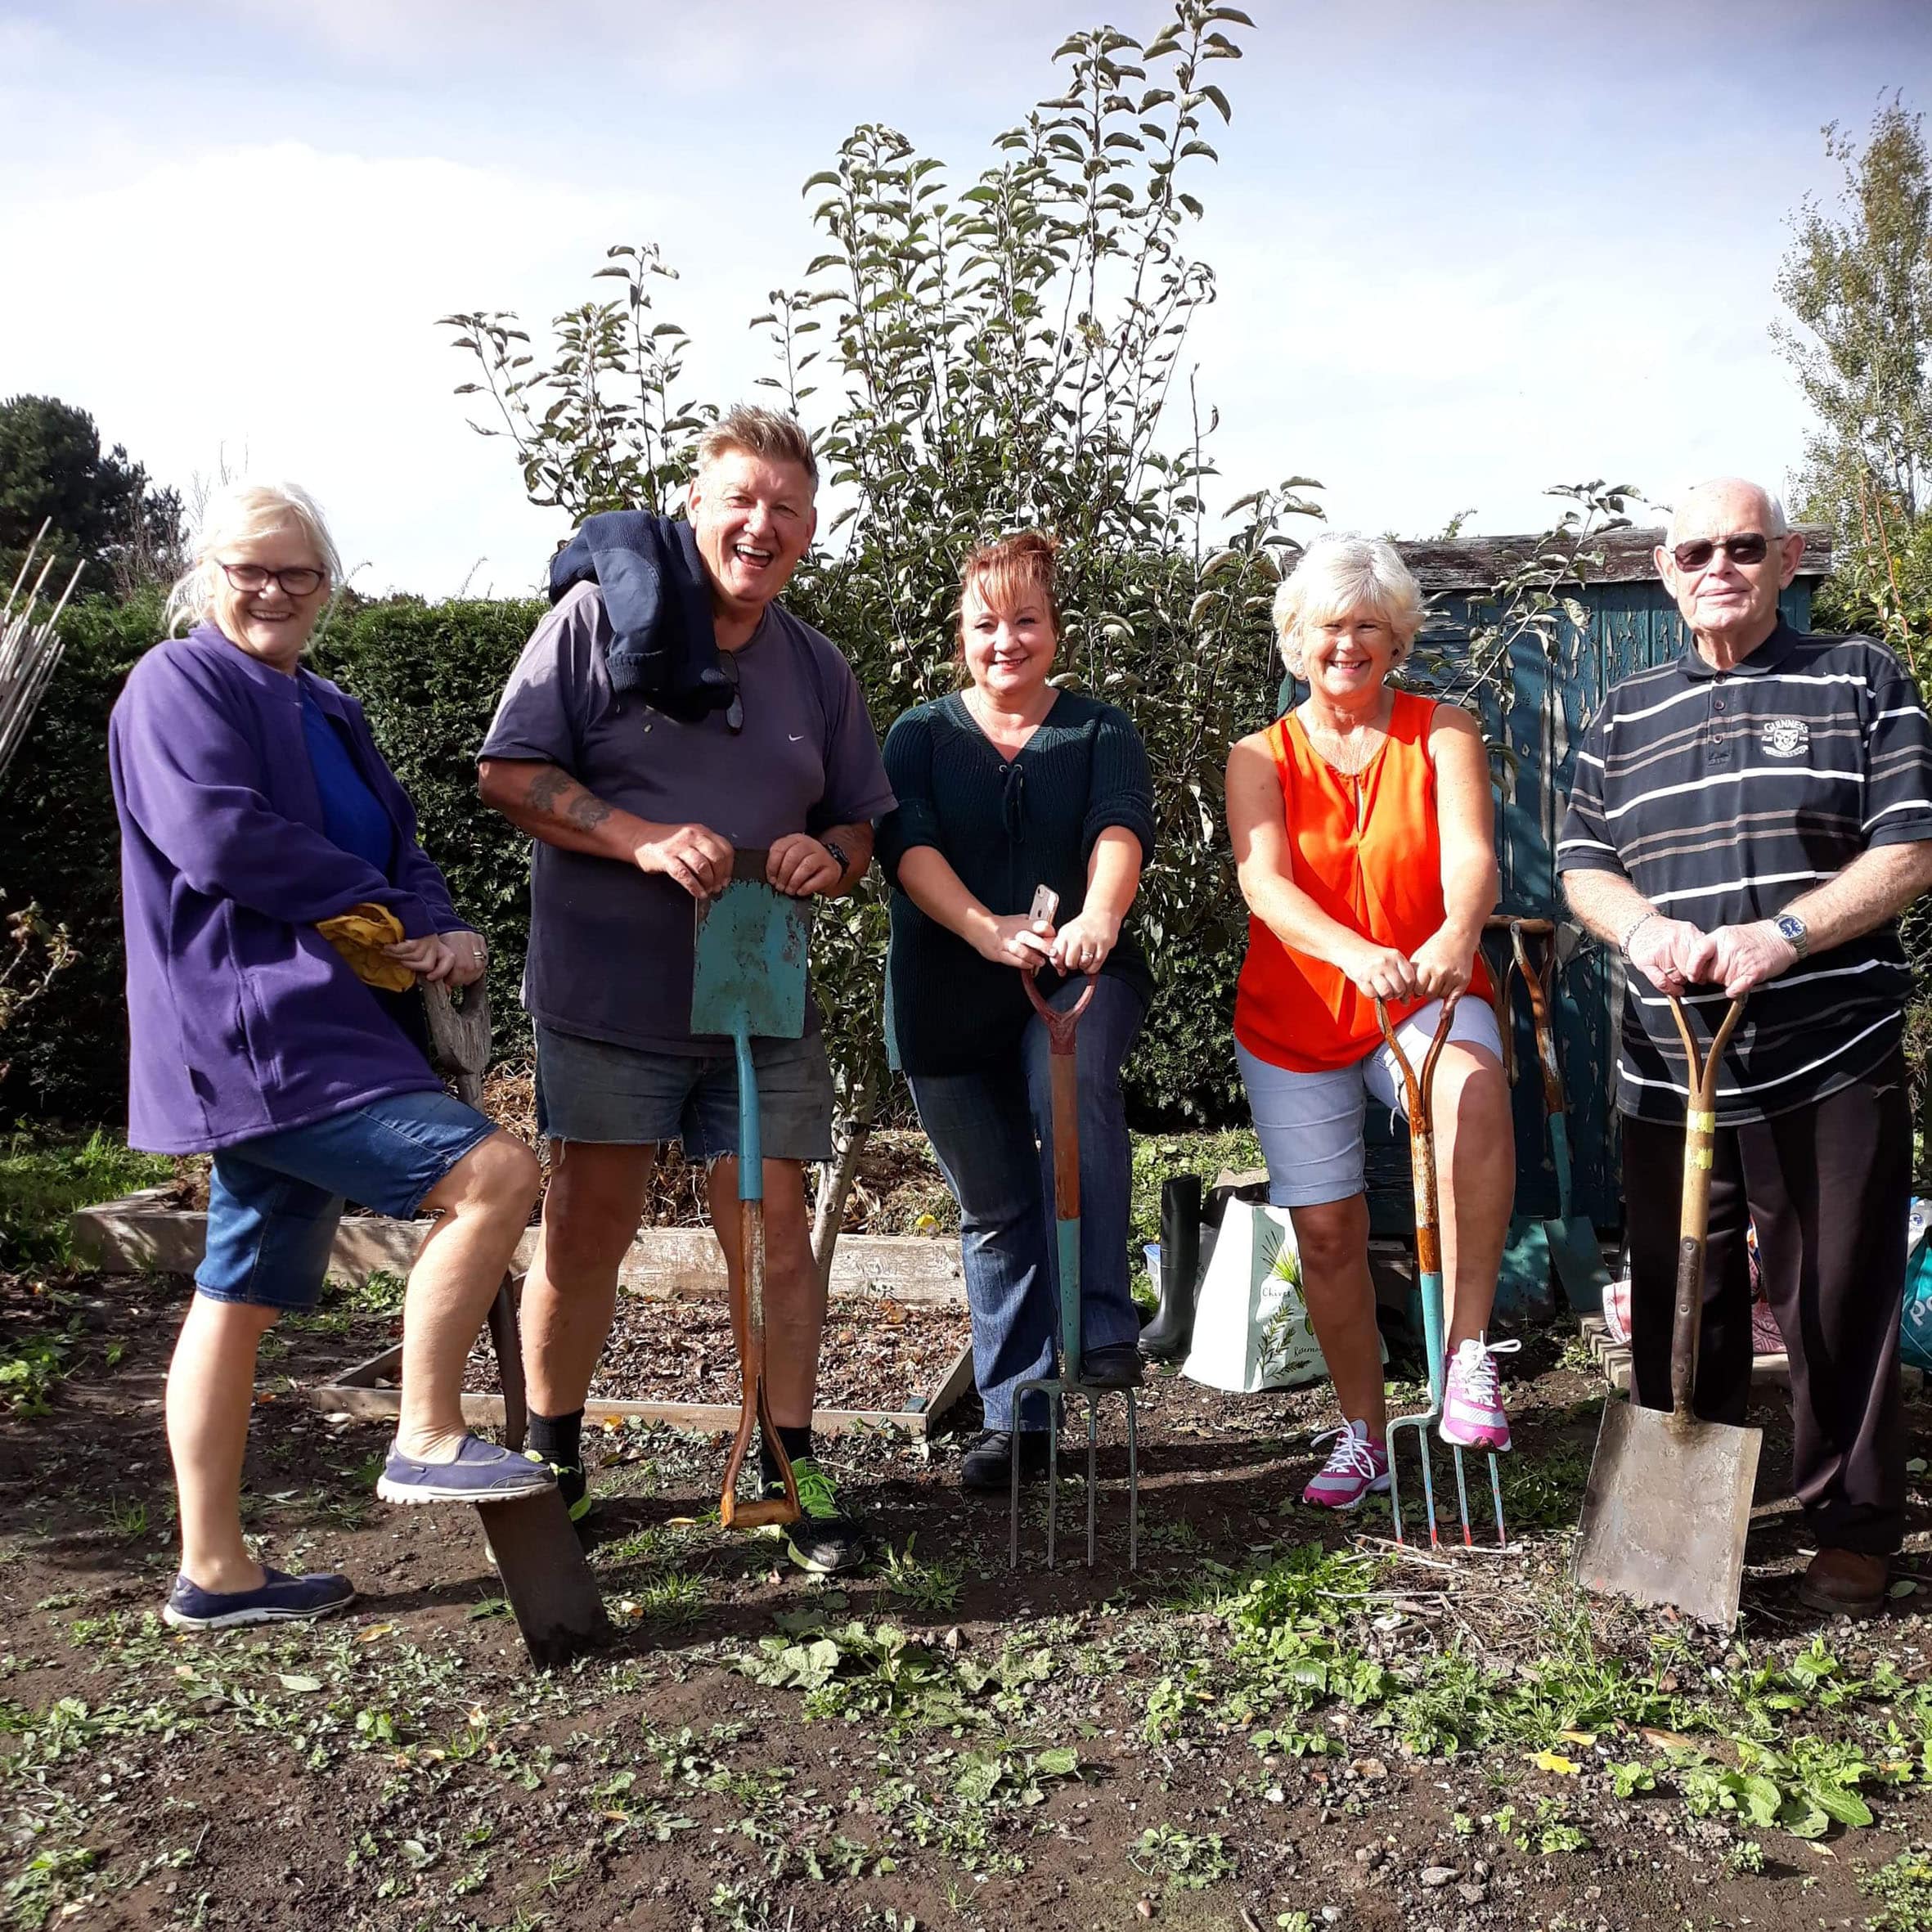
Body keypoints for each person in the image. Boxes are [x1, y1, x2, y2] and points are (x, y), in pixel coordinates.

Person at [108, 482, 550, 1633]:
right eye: (249, 568)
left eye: (297, 573)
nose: (271, 590)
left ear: (327, 589)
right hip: (262, 1025)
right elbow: (217, 834)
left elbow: (401, 847)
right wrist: (372, 911)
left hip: (332, 1023)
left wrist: (440, 926)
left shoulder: (329, 707)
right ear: (207, 574)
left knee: (237, 1288)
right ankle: (425, 1430)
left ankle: (217, 1572)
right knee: (494, 1173)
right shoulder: (179, 683)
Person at [478, 406, 895, 1575]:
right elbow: (508, 774)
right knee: (589, 1227)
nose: (761, 526)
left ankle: (785, 1458)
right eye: (740, 500)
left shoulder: (816, 667)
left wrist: (834, 858)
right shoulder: (597, 619)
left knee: (771, 1237)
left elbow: (856, 820)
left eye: (787, 509)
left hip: (759, 1003)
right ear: (696, 506)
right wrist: (641, 837)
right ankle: (555, 1451)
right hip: (611, 999)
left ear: (810, 531)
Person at [1559, 476, 1932, 1615]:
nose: (1716, 565)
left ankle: (1853, 1521)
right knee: (1684, 1292)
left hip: (1826, 1041)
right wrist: (1646, 928)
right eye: (1692, 551)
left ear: (1785, 556)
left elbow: (1910, 850)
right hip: (1667, 1057)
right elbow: (1581, 866)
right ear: (1663, 571)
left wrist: (1782, 935)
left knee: (1834, 1293)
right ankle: (1683, 1523)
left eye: (1742, 544)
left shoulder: (1858, 678)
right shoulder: (1621, 712)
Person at [1224, 532, 1515, 1512]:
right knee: (1328, 1232)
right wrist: (1351, 953)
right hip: (1296, 1018)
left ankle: (1467, 1355)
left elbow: (1471, 857)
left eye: (1366, 627)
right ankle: (1361, 1432)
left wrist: (1452, 935)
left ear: (1395, 641)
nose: (1344, 644)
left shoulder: (1443, 732)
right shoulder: (1258, 757)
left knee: (1472, 1098)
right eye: (1325, 628)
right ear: (1293, 642)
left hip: (1429, 992)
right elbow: (1262, 882)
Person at [876, 533, 1156, 1492]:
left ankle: (1101, 1324)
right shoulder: (918, 735)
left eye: (1025, 620)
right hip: (945, 993)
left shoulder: (1098, 729)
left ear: (1054, 628)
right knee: (995, 1210)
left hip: (1076, 978)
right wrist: (984, 929)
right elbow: (906, 846)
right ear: (960, 631)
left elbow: (1118, 826)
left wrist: (1097, 918)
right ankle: (1016, 1416)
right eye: (986, 623)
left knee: (1068, 1081)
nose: (1007, 640)